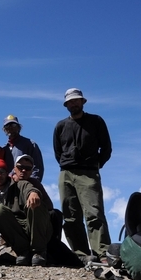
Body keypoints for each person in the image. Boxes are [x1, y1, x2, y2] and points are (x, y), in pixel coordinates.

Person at [53, 88, 112, 263]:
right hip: (66, 173)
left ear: (83, 102)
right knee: (70, 216)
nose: (74, 104)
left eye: (76, 100)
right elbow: (58, 151)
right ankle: (80, 254)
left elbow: (106, 148)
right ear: (66, 105)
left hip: (89, 173)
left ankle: (102, 253)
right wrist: (66, 166)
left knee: (94, 213)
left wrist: (95, 165)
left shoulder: (96, 121)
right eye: (70, 101)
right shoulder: (61, 126)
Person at [0, 158, 52, 266]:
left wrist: (33, 193)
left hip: (31, 225)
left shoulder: (20, 184)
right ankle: (23, 252)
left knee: (35, 205)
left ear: (7, 173)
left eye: (1, 172)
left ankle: (39, 251)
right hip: (15, 231)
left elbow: (29, 188)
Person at [2, 115, 45, 182]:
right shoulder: (4, 148)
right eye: (8, 126)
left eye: (13, 125)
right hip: (9, 186)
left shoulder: (30, 144)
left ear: (19, 127)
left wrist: (33, 183)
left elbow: (37, 167)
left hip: (25, 184)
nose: (11, 128)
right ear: (4, 129)